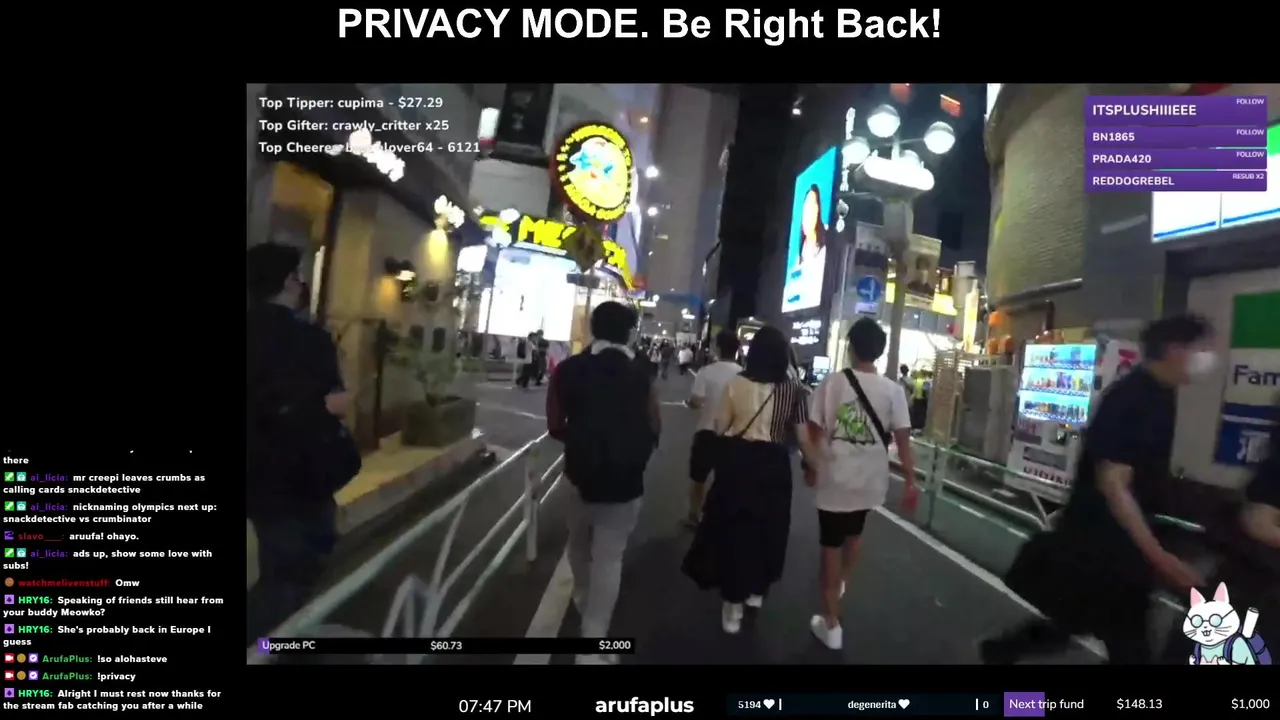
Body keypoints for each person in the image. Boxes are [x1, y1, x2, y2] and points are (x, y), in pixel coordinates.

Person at [981, 314, 1215, 665]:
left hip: (1109, 548)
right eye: (1202, 348)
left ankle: (1001, 651)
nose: (1207, 358)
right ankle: (1002, 651)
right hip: (1106, 549)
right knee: (1121, 640)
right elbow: (1114, 483)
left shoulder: (1160, 394)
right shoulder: (1135, 397)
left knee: (1078, 621)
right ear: (1175, 350)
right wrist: (1160, 557)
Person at [245, 242, 360, 643]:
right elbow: (332, 402)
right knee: (294, 572)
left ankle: (274, 641)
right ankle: (265, 646)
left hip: (256, 474)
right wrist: (329, 405)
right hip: (301, 473)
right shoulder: (309, 340)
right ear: (288, 281)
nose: (301, 282)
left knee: (279, 564)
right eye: (297, 274)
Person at [546, 302, 661, 665]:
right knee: (610, 559)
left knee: (577, 542)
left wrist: (580, 441)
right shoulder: (642, 369)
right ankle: (593, 643)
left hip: (579, 475)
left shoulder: (568, 369)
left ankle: (582, 598)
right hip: (626, 480)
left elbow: (554, 423)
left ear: (593, 328)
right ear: (629, 332)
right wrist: (640, 448)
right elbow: (655, 421)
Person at [682, 326, 809, 635]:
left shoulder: (737, 384)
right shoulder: (795, 390)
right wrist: (815, 466)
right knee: (770, 528)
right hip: (775, 465)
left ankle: (732, 602)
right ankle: (756, 592)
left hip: (739, 463)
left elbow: (720, 426)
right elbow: (804, 438)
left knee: (736, 527)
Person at [802, 318, 917, 650]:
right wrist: (910, 481)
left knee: (830, 546)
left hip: (835, 477)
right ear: (879, 351)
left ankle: (831, 624)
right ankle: (842, 581)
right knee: (854, 532)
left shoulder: (833, 383)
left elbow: (813, 430)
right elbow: (903, 441)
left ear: (851, 347)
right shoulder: (894, 391)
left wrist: (811, 465)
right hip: (870, 480)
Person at [684, 331, 743, 528]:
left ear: (717, 347)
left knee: (698, 478)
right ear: (737, 350)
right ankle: (721, 518)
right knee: (726, 480)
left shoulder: (706, 372)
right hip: (732, 435)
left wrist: (691, 404)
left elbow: (696, 401)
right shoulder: (743, 374)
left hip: (706, 432)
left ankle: (694, 515)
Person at [782, 184, 828, 310]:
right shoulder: (799, 255)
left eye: (812, 207)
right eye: (806, 209)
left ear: (818, 210)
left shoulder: (826, 245)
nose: (808, 214)